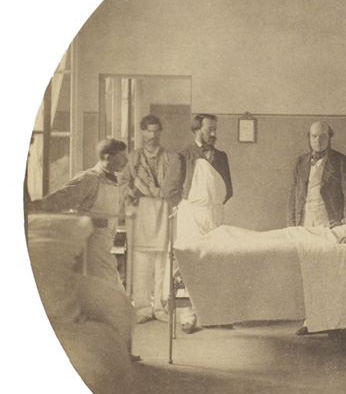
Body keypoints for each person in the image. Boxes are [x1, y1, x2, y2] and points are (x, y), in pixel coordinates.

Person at [30, 138, 129, 288]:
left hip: (104, 246)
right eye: (122, 157)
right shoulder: (89, 179)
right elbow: (60, 199)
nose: (126, 161)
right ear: (108, 158)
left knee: (107, 291)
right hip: (90, 248)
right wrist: (32, 208)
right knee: (110, 290)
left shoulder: (113, 182)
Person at [120, 115, 183, 324]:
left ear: (161, 132)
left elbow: (172, 187)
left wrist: (159, 193)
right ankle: (143, 307)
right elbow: (123, 184)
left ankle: (160, 307)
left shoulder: (171, 158)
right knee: (141, 264)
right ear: (142, 132)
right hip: (140, 215)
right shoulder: (132, 159)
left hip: (162, 212)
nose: (152, 135)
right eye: (148, 131)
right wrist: (134, 194)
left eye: (156, 131)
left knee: (162, 263)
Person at [177, 114, 233, 333]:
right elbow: (170, 189)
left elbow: (228, 189)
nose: (213, 134)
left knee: (215, 262)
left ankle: (214, 314)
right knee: (189, 263)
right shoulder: (184, 154)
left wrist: (213, 205)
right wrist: (190, 208)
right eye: (209, 129)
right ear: (196, 130)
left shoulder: (222, 157)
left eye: (215, 129)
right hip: (191, 215)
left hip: (215, 214)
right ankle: (188, 316)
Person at [287, 121, 346, 228]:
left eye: (323, 136)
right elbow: (293, 194)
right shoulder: (300, 161)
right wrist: (291, 224)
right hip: (304, 220)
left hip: (329, 220)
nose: (318, 141)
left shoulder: (341, 160)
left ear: (329, 138)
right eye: (314, 136)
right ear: (309, 138)